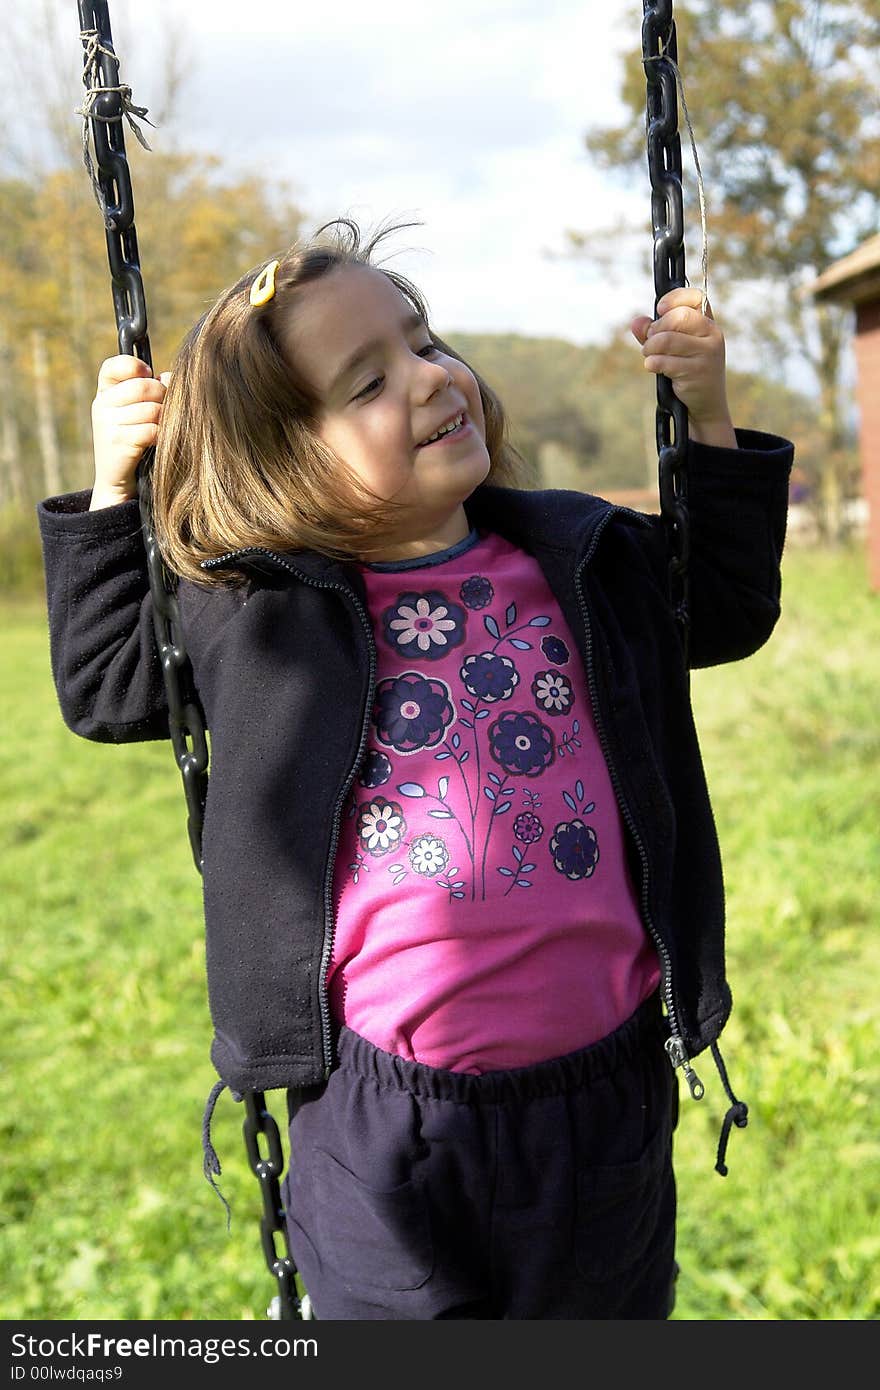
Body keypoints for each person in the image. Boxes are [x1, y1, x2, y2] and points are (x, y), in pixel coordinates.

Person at [38, 216, 794, 1320]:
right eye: (368, 380)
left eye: (425, 341)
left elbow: (724, 606)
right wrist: (116, 482)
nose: (433, 378)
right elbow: (108, 685)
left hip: (602, 1089)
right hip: (379, 1111)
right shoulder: (258, 615)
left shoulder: (580, 552)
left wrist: (710, 412)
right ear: (281, 456)